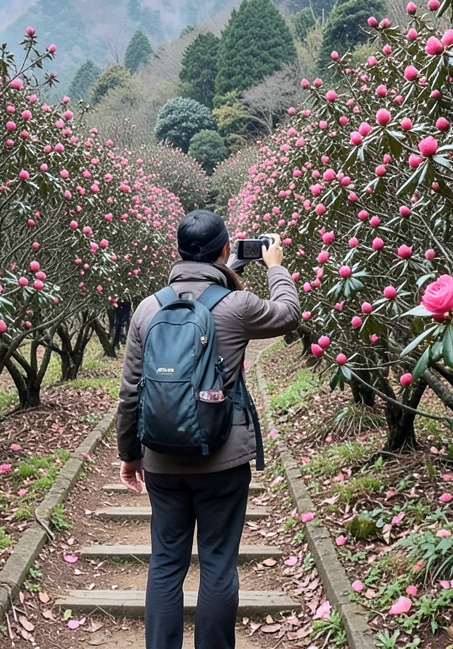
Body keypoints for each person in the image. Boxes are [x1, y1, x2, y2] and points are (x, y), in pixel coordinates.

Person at [116, 210, 301, 649]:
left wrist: (130, 454)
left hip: (162, 458)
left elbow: (130, 393)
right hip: (223, 458)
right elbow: (288, 313)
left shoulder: (148, 308)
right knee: (218, 563)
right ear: (225, 249)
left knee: (166, 563)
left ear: (178, 250)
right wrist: (275, 267)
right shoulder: (237, 306)